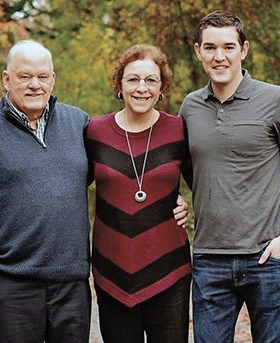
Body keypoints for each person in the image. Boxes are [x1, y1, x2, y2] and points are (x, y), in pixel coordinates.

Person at [179, 10, 280, 343]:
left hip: (267, 257)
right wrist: (177, 199)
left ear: (243, 50)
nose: (219, 56)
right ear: (198, 51)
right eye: (210, 47)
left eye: (228, 47)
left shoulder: (277, 100)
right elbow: (191, 170)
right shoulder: (189, 107)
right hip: (208, 260)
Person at [0, 40, 92, 342]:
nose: (35, 85)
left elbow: (116, 172)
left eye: (42, 76)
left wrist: (171, 198)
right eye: (25, 76)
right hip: (9, 285)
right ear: (7, 79)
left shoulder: (78, 123)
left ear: (53, 78)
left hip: (71, 285)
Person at [85, 44, 193, 343]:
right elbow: (67, 183)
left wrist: (275, 185)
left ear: (162, 88)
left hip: (170, 270)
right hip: (112, 271)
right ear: (119, 85)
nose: (141, 88)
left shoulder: (179, 129)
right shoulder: (95, 131)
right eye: (133, 79)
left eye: (151, 80)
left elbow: (209, 182)